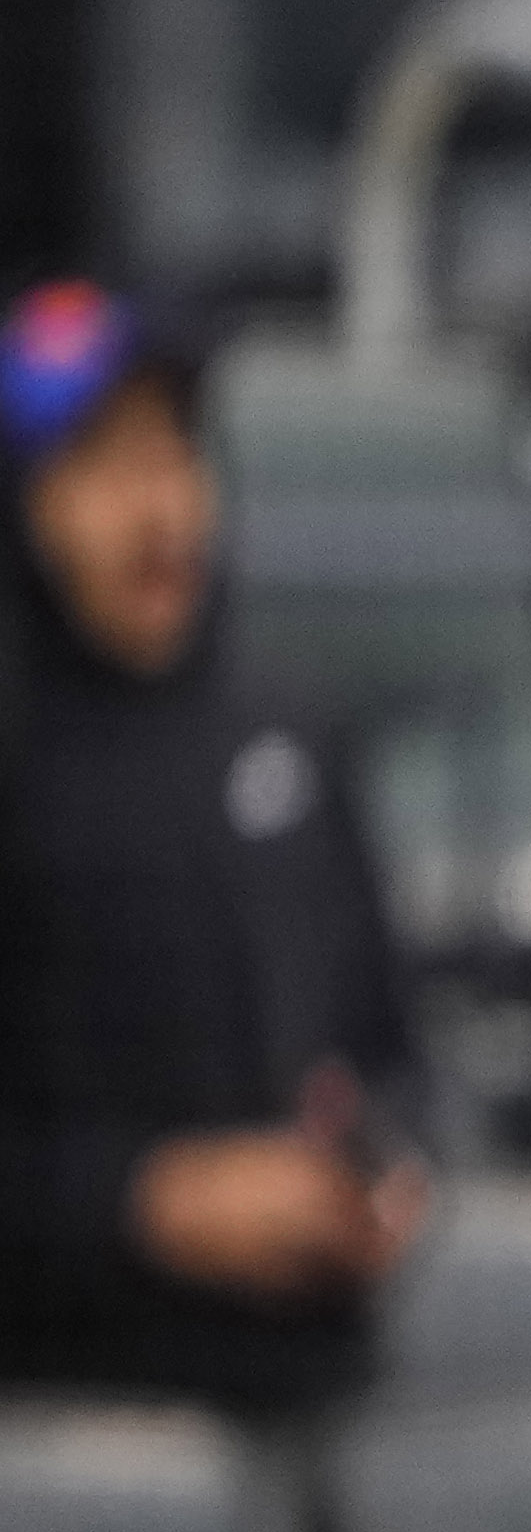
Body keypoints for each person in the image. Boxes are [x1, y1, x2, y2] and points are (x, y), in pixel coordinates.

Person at [1, 287, 429, 1424]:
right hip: (67, 1419)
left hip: (317, 1381)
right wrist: (145, 1204)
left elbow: (388, 1048)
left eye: (175, 454)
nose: (158, 510)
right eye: (101, 463)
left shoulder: (290, 729)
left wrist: (383, 1168)